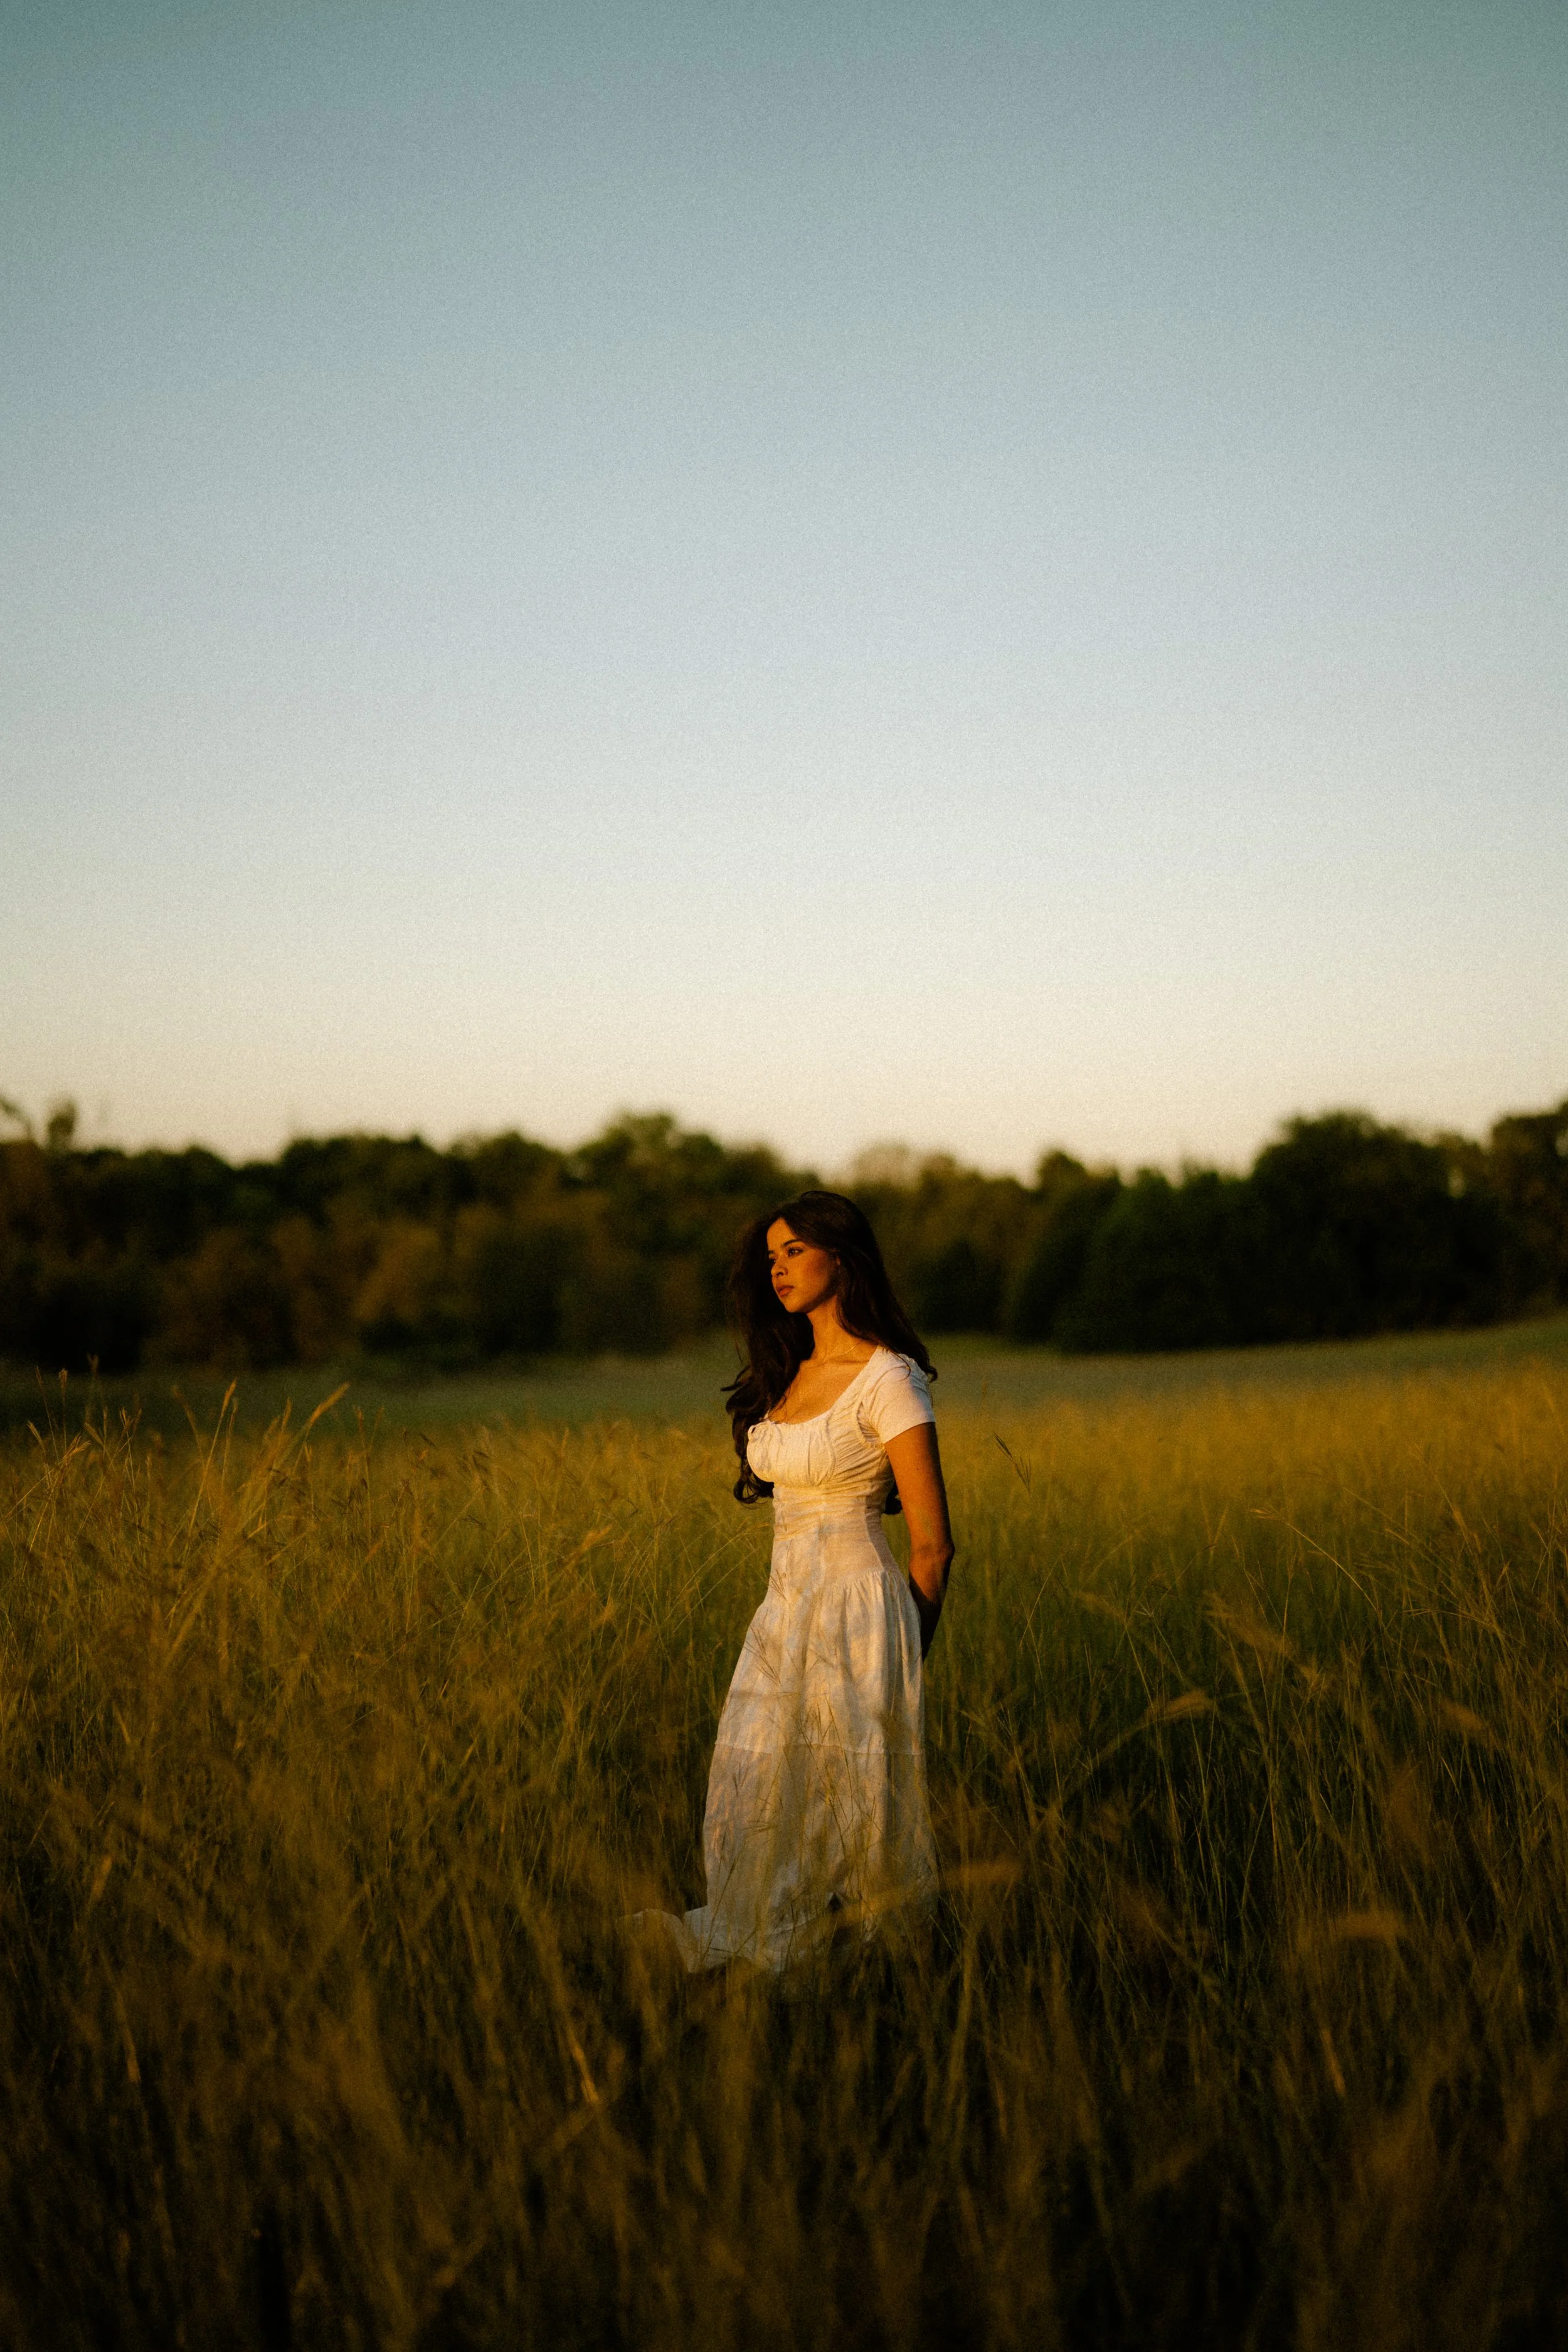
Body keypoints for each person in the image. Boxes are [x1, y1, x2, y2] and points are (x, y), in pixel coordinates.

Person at [647, 1189, 954, 1973]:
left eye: (795, 1251)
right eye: (771, 1255)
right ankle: (772, 1941)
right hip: (782, 1611)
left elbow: (933, 1546)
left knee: (845, 1800)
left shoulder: (889, 1378)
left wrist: (902, 1653)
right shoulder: (786, 1369)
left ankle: (869, 1968)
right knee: (754, 1781)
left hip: (860, 1611)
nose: (778, 1268)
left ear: (841, 1258)